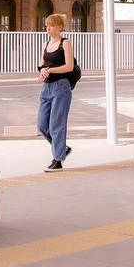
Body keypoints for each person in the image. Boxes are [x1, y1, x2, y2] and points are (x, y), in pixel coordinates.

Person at [37, 13, 75, 172]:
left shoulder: (65, 43)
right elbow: (41, 65)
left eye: (51, 25)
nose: (48, 28)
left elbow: (69, 66)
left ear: (60, 27)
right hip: (46, 88)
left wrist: (50, 70)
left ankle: (58, 159)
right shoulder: (45, 44)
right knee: (42, 125)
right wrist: (43, 71)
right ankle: (62, 148)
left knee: (56, 125)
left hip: (61, 87)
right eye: (47, 25)